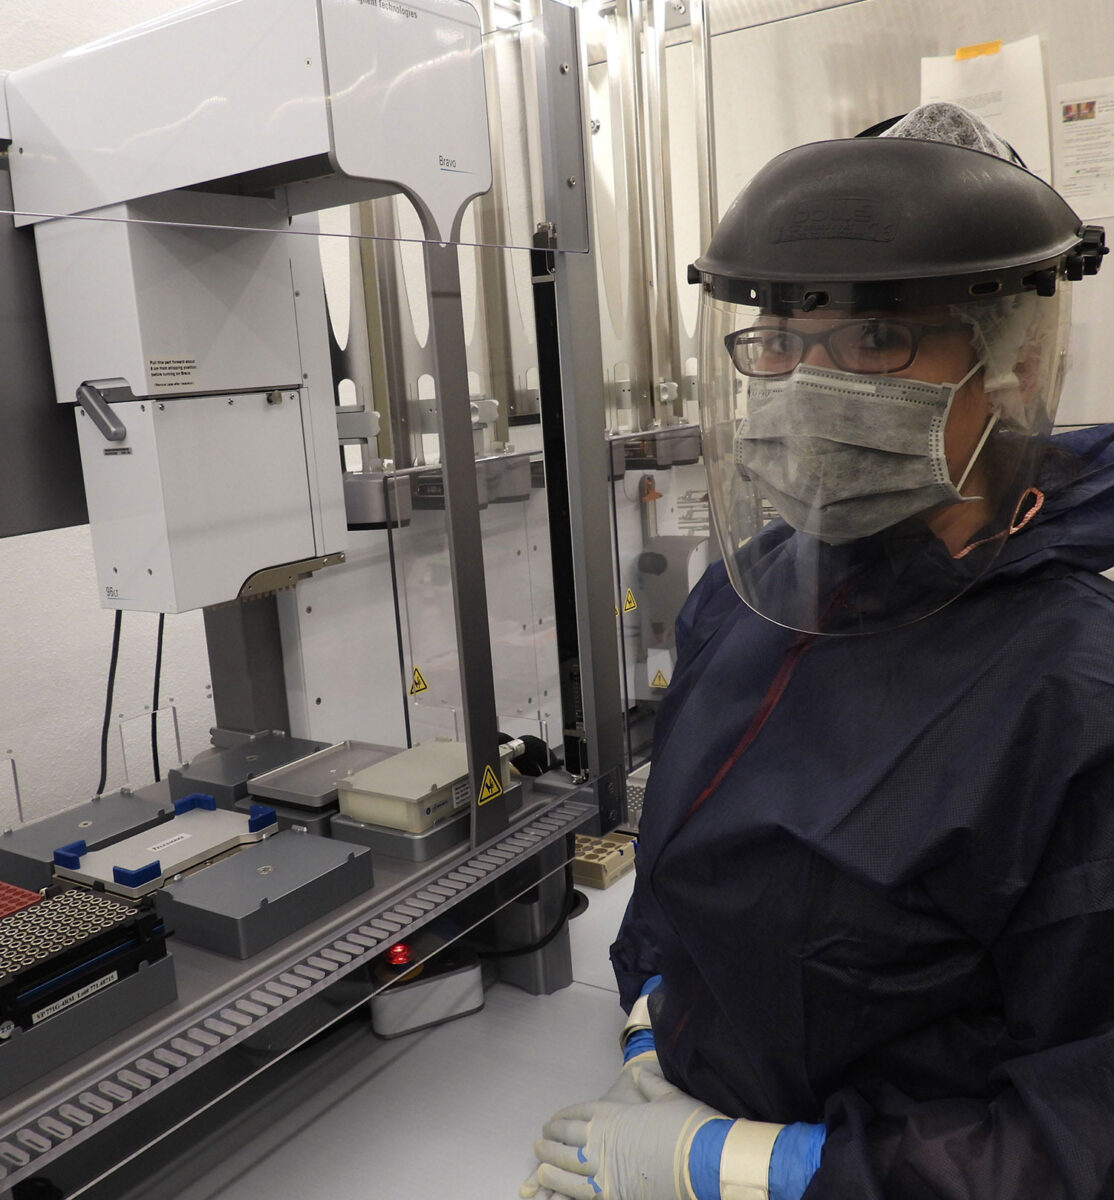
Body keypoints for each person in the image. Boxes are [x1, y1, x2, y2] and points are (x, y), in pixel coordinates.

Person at [521, 103, 1114, 1199]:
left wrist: (759, 1169)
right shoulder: (742, 603)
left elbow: (1081, 1130)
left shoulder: (1073, 696)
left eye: (877, 338)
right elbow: (676, 886)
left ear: (1016, 364)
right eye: (780, 341)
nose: (806, 388)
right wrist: (655, 1032)